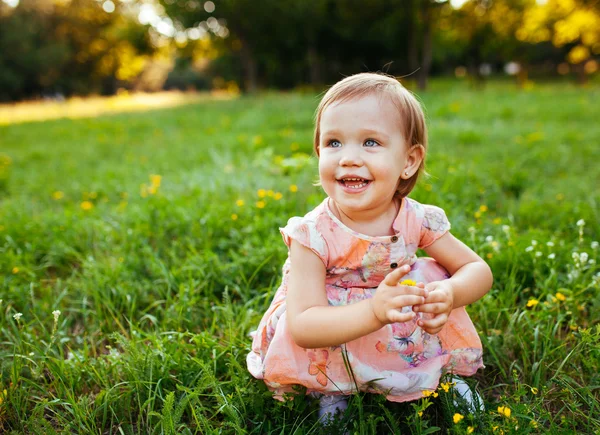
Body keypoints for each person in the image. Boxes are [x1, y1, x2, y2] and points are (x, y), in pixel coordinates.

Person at [246, 72, 493, 420]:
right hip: (333, 330)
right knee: (327, 342)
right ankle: (333, 388)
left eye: (370, 143)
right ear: (318, 152)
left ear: (408, 161)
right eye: (333, 143)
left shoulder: (416, 219)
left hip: (399, 320)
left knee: (431, 275)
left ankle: (441, 376)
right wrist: (374, 311)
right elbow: (303, 326)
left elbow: (477, 270)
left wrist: (450, 292)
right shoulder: (312, 235)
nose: (348, 157)